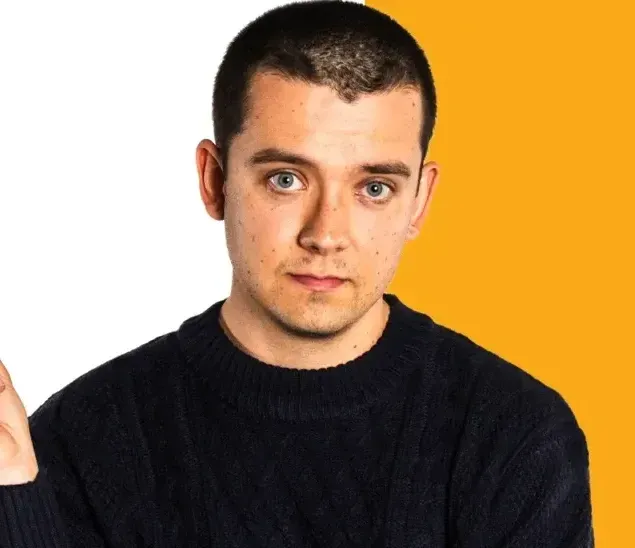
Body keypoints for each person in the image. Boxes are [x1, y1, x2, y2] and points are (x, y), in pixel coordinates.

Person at [0, 1, 594, 546]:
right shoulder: (84, 439)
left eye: (374, 188)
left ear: (419, 200)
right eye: (286, 179)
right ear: (215, 181)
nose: (326, 234)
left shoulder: (515, 438)